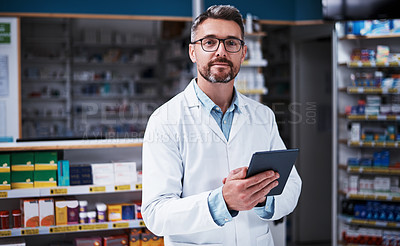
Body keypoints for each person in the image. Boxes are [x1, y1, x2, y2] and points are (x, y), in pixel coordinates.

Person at [142, 5, 302, 246]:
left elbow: (291, 186)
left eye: (231, 43)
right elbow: (156, 213)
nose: (221, 51)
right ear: (193, 52)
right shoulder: (165, 120)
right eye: (209, 42)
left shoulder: (263, 116)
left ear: (243, 52)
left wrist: (260, 198)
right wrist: (222, 202)